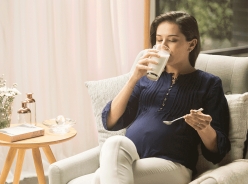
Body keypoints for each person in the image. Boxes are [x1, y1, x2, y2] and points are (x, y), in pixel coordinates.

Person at [92, 11, 231, 184]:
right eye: (159, 40)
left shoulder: (209, 84)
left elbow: (218, 151)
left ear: (191, 44)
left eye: (172, 40)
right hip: (133, 159)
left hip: (173, 165)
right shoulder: (144, 79)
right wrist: (133, 78)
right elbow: (111, 121)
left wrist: (204, 128)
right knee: (114, 143)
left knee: (99, 177)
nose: (163, 46)